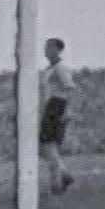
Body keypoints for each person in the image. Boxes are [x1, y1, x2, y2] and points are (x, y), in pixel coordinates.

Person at [37, 38, 71, 198]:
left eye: (50, 46)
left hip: (57, 106)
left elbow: (69, 88)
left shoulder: (60, 68)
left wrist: (66, 112)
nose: (47, 49)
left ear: (58, 50)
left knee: (47, 145)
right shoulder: (48, 69)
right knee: (45, 147)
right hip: (48, 108)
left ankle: (58, 181)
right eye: (46, 46)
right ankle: (63, 175)